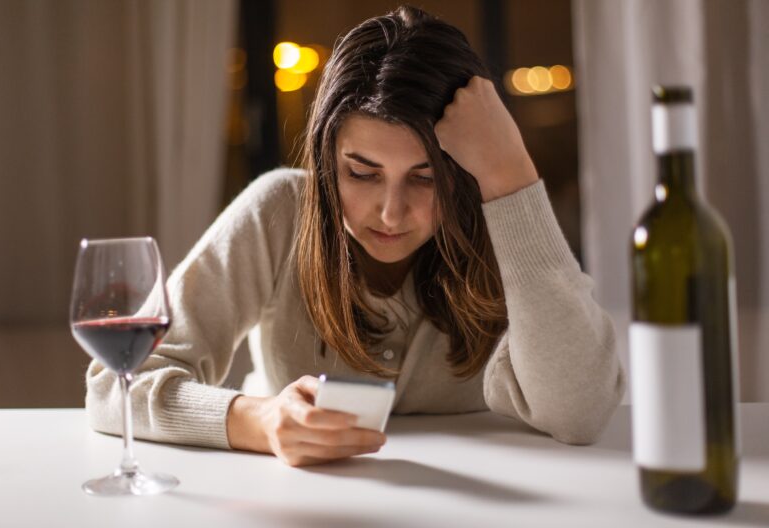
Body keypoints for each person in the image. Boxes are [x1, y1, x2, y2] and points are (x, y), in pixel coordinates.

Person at [86, 5, 625, 467]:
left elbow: (579, 411)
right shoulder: (280, 211)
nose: (391, 213)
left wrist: (512, 174)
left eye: (425, 178)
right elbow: (115, 385)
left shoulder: (501, 228)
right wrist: (260, 421)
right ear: (326, 161)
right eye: (362, 173)